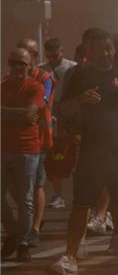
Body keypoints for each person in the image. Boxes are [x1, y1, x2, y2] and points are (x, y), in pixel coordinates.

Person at [49, 28, 118, 275]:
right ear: (89, 51)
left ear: (113, 50)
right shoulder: (79, 75)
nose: (105, 54)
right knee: (81, 205)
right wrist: (81, 100)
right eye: (100, 50)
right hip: (91, 150)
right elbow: (62, 111)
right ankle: (70, 257)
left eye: (109, 49)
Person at [1, 47, 45, 262]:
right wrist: (20, 113)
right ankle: (12, 233)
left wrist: (5, 112)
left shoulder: (35, 86)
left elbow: (30, 115)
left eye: (22, 63)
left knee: (25, 198)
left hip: (27, 150)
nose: (18, 67)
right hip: (3, 148)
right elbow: (26, 114)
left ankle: (24, 242)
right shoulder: (1, 85)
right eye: (14, 62)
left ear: (30, 66)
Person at [17, 37, 54, 247]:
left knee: (37, 184)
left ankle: (35, 228)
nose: (22, 60)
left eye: (27, 54)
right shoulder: (10, 78)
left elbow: (40, 103)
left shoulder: (44, 77)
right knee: (21, 186)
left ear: (34, 57)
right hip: (15, 139)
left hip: (38, 137)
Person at [42, 38, 77, 209]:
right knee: (56, 157)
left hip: (72, 118)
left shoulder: (73, 67)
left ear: (62, 51)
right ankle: (58, 195)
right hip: (53, 118)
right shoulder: (42, 69)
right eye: (50, 56)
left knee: (76, 157)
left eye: (56, 55)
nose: (54, 59)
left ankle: (81, 195)